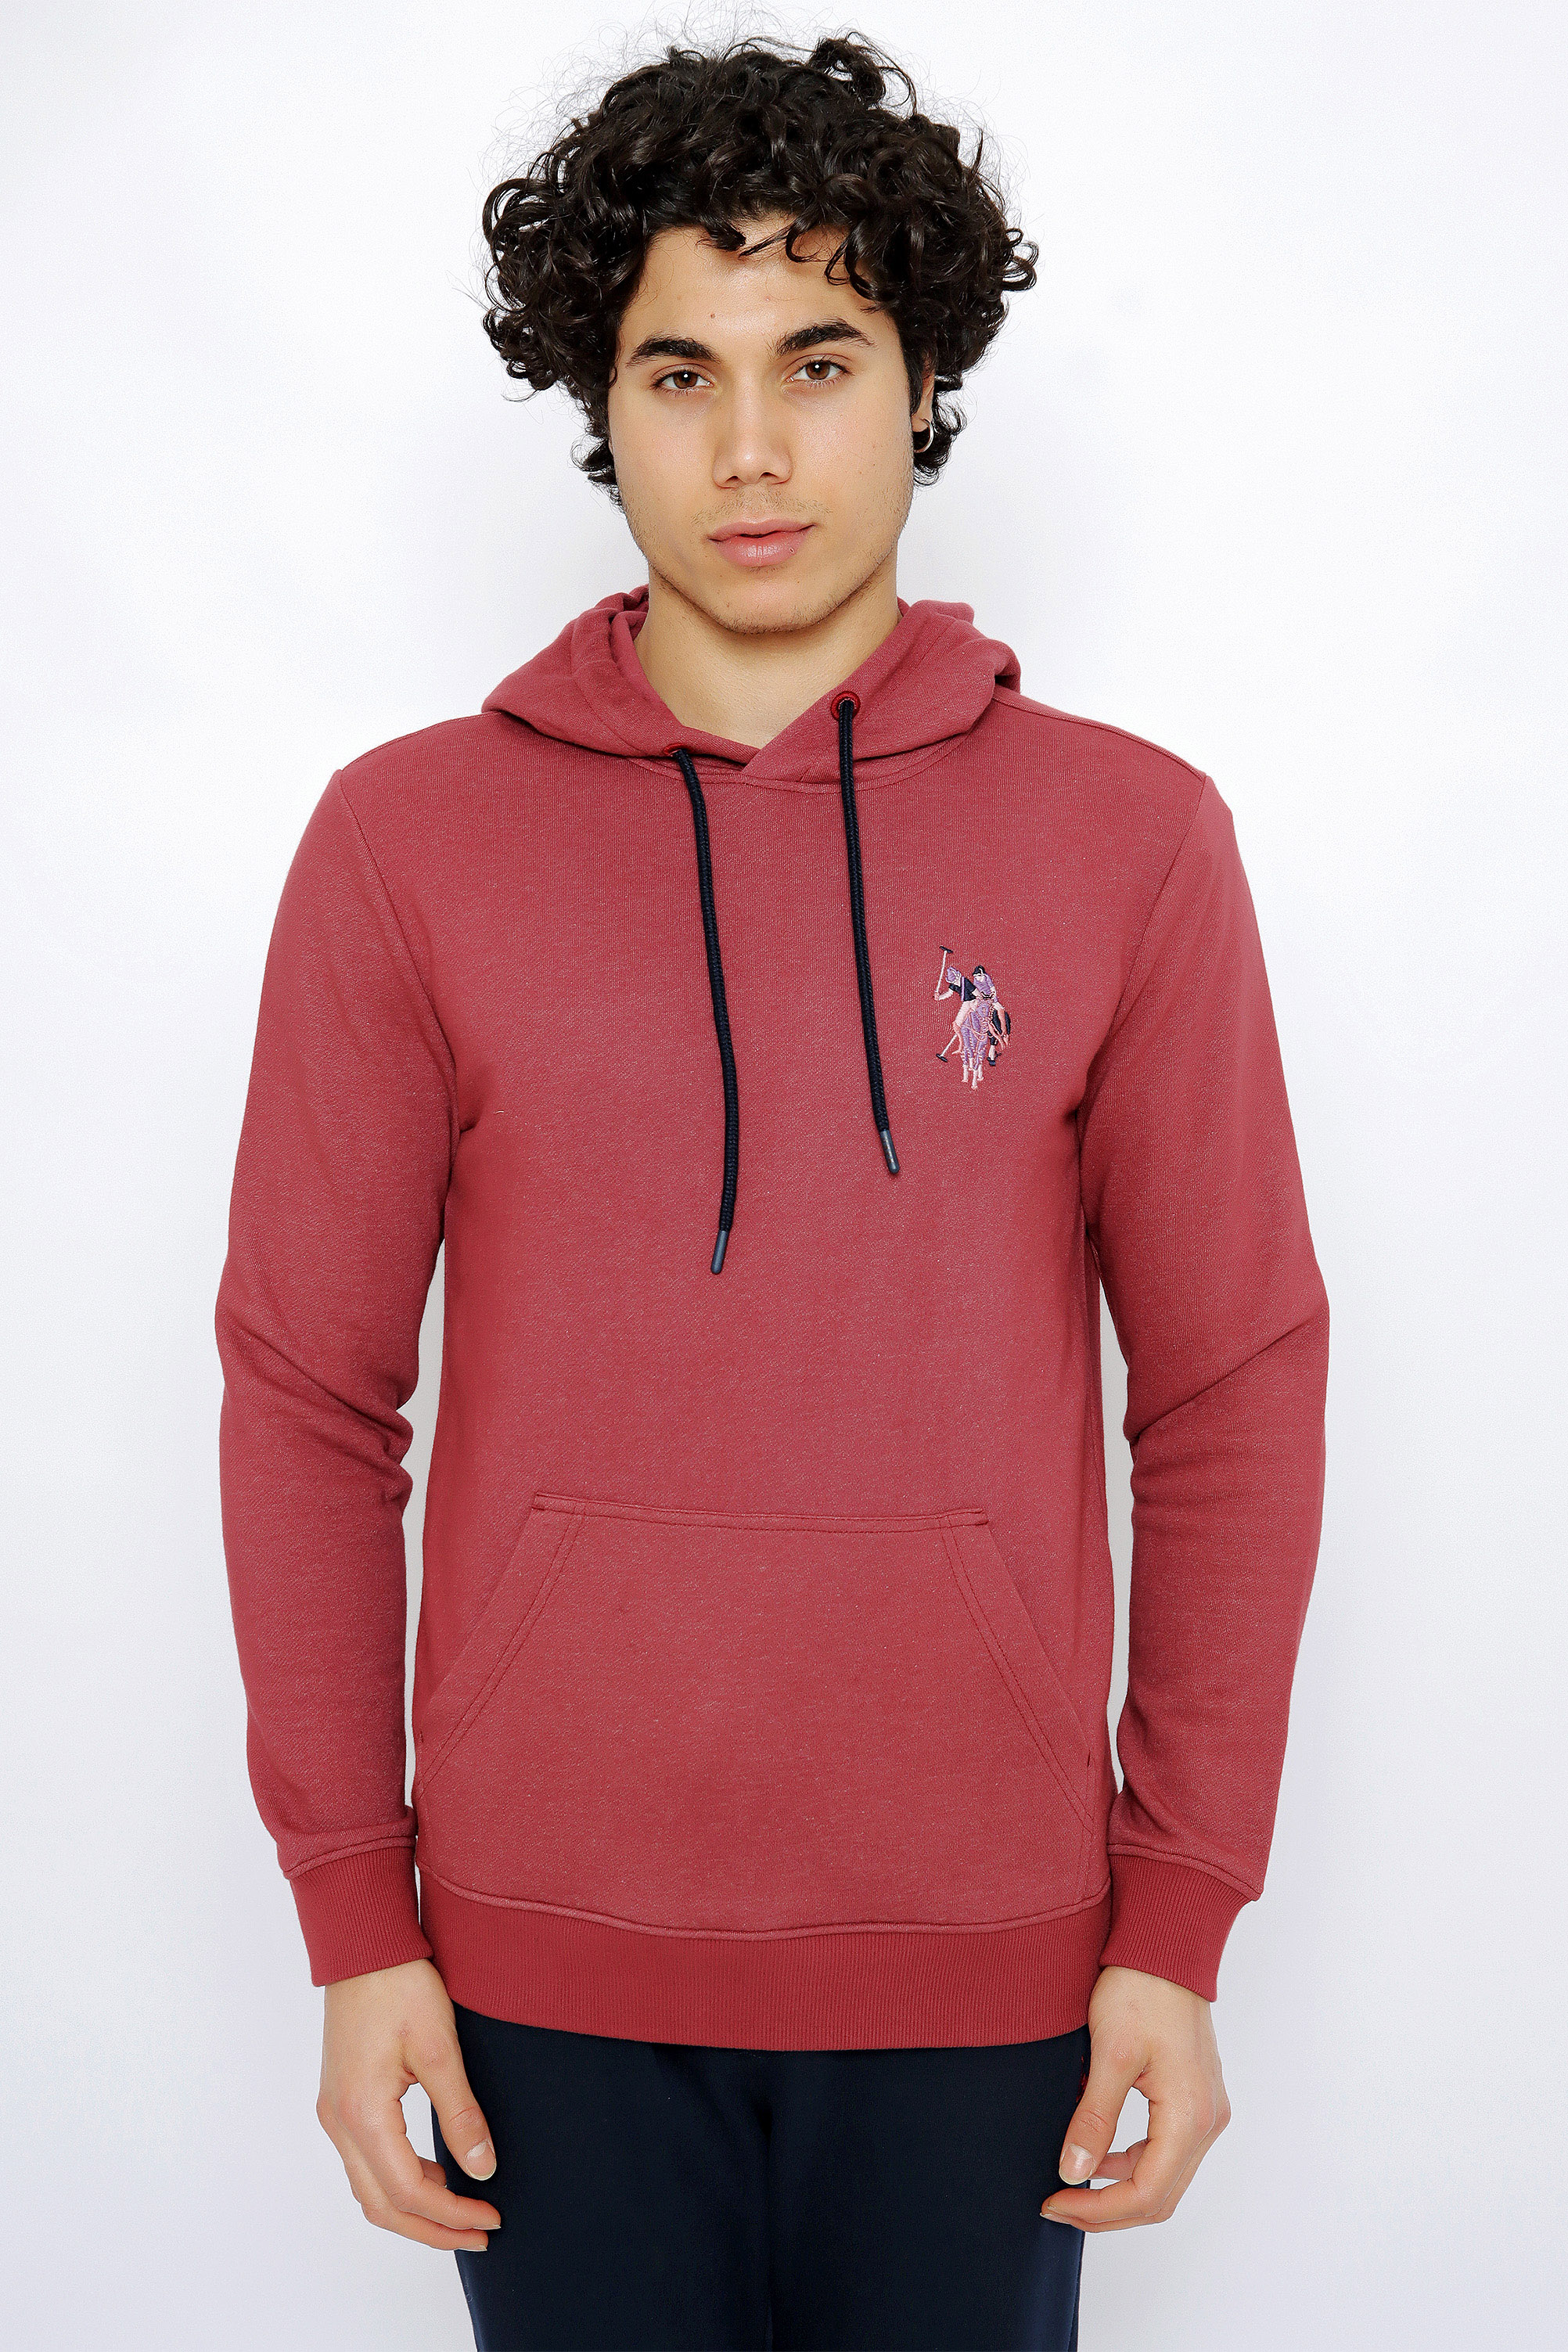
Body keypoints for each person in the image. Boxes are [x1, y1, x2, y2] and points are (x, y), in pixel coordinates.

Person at [214, 33, 1329, 2352]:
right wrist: (353, 1919)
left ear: (921, 387)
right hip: (534, 1966)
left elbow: (1230, 1385)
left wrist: (1175, 1919)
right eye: (678, 372)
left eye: (817, 362)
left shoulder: (1129, 840)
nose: (749, 449)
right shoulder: (408, 843)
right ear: (597, 407)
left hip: (994, 1965)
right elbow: (308, 1397)